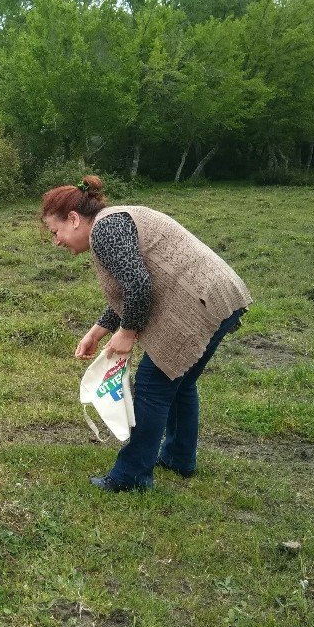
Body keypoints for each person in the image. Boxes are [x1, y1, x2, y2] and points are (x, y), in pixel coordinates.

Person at [42, 175, 252, 492]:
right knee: (180, 384)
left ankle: (131, 477)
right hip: (221, 295)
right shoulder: (112, 222)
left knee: (153, 389)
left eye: (55, 231)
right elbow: (132, 287)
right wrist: (99, 331)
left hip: (199, 302)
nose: (56, 241)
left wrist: (126, 333)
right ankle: (179, 458)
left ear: (73, 219)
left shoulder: (104, 230)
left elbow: (139, 287)